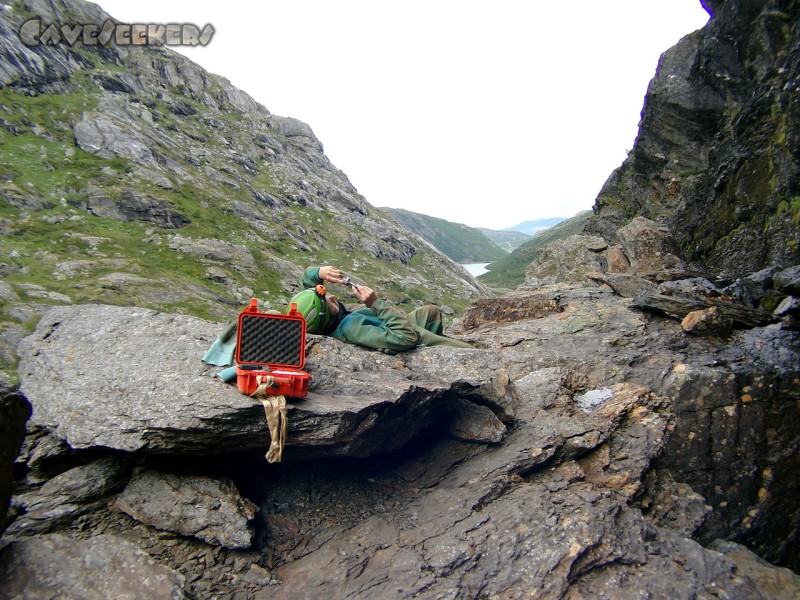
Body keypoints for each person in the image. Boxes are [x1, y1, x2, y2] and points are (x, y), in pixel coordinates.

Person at [289, 265, 473, 352]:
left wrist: (318, 272)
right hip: (411, 336)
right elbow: (406, 338)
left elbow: (307, 289)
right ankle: (434, 348)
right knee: (471, 352)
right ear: (325, 315)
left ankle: (436, 338)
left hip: (391, 325)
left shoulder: (324, 319)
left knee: (430, 312)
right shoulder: (352, 329)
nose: (333, 296)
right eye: (329, 301)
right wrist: (374, 303)